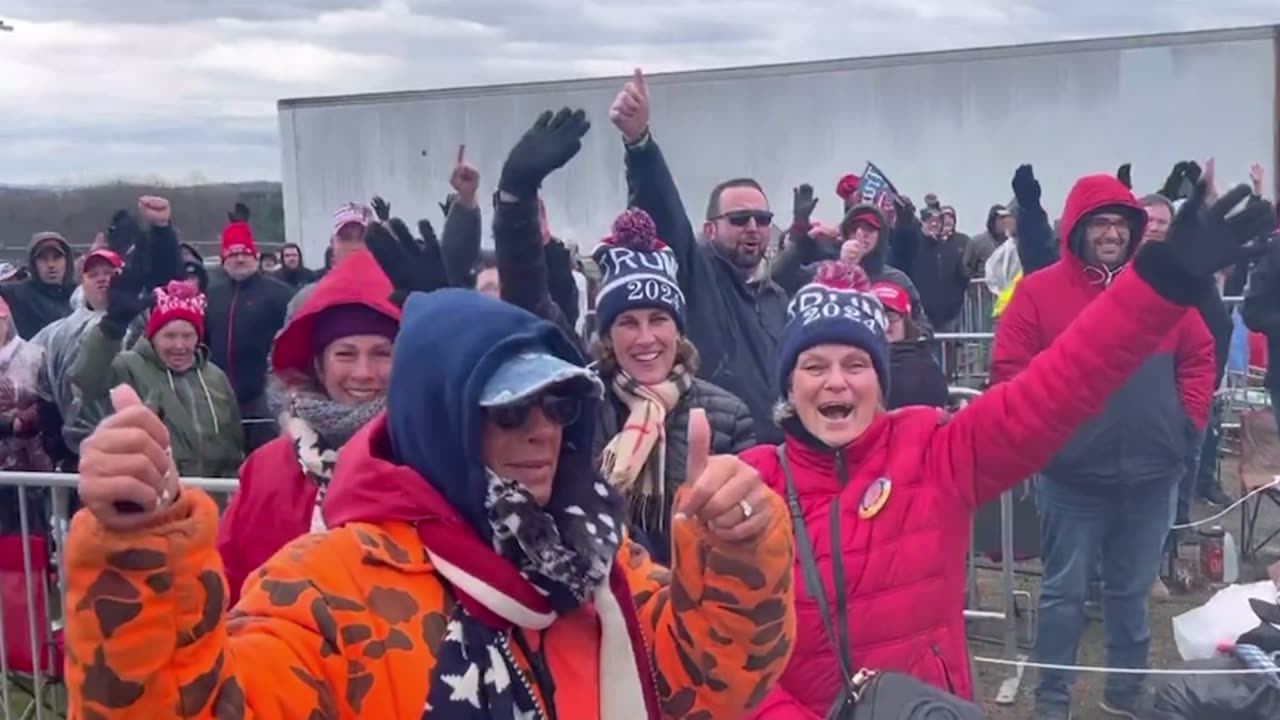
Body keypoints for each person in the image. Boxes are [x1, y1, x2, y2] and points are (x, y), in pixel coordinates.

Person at [64, 281, 799, 720]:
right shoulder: (328, 586)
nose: (540, 431)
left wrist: (736, 556)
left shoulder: (594, 562)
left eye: (558, 408)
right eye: (508, 410)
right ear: (439, 419)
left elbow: (706, 689)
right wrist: (139, 554)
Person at [745, 180, 1274, 720]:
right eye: (814, 367)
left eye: (856, 365)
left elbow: (1060, 381)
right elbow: (731, 675)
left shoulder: (932, 448)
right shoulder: (750, 486)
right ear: (789, 384)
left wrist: (1160, 287)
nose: (836, 382)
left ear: (880, 381)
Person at [992, 171, 1240, 720]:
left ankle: (1125, 694)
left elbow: (1200, 354)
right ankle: (1051, 700)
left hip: (1152, 476)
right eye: (1098, 223)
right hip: (1072, 480)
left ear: (1132, 229)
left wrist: (1186, 421)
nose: (1110, 233)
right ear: (1076, 230)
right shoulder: (1038, 292)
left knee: (1130, 596)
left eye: (1118, 223)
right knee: (1063, 595)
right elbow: (1009, 372)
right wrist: (1045, 437)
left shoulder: (1159, 289)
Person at [611, 68, 789, 443]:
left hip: (774, 463)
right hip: (713, 450)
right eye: (739, 219)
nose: (753, 227)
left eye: (762, 218)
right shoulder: (696, 273)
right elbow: (664, 215)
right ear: (710, 229)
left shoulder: (776, 298)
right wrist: (640, 145)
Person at [217, 250, 400, 606]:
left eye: (382, 353)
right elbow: (221, 586)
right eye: (345, 354)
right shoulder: (265, 471)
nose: (363, 373)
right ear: (318, 364)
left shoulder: (426, 461)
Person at [591, 206, 756, 563]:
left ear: (678, 331)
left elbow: (751, 532)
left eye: (658, 320)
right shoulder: (583, 408)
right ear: (607, 337)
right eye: (628, 323)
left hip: (699, 596)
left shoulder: (729, 417)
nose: (646, 338)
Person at [72, 272, 242, 479]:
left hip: (212, 498)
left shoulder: (215, 377)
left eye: (188, 336)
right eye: (169, 336)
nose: (179, 345)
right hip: (154, 494)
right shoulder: (129, 366)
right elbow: (87, 379)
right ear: (152, 336)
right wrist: (110, 329)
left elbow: (234, 443)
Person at [205, 208, 293, 452]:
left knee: (267, 458)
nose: (239, 259)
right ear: (223, 259)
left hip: (263, 397)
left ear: (254, 256)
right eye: (232, 254)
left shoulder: (279, 293)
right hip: (220, 396)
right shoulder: (213, 295)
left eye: (244, 252)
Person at [31, 248, 123, 470]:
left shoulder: (145, 324)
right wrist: (55, 444)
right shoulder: (57, 333)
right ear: (82, 283)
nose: (102, 279)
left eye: (109, 272)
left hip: (133, 448)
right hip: (76, 457)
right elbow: (39, 386)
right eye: (93, 274)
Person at [869, 280, 949, 409]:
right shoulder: (859, 361)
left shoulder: (925, 366)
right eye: (876, 316)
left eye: (890, 316)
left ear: (905, 321)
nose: (884, 324)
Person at [286, 203, 373, 317]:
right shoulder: (306, 300)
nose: (355, 246)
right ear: (333, 243)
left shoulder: (396, 296)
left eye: (363, 237)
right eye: (345, 238)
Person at [1, 231, 74, 339]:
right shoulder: (17, 293)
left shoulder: (81, 296)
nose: (51, 265)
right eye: (43, 259)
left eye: (57, 257)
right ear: (33, 264)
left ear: (67, 261)